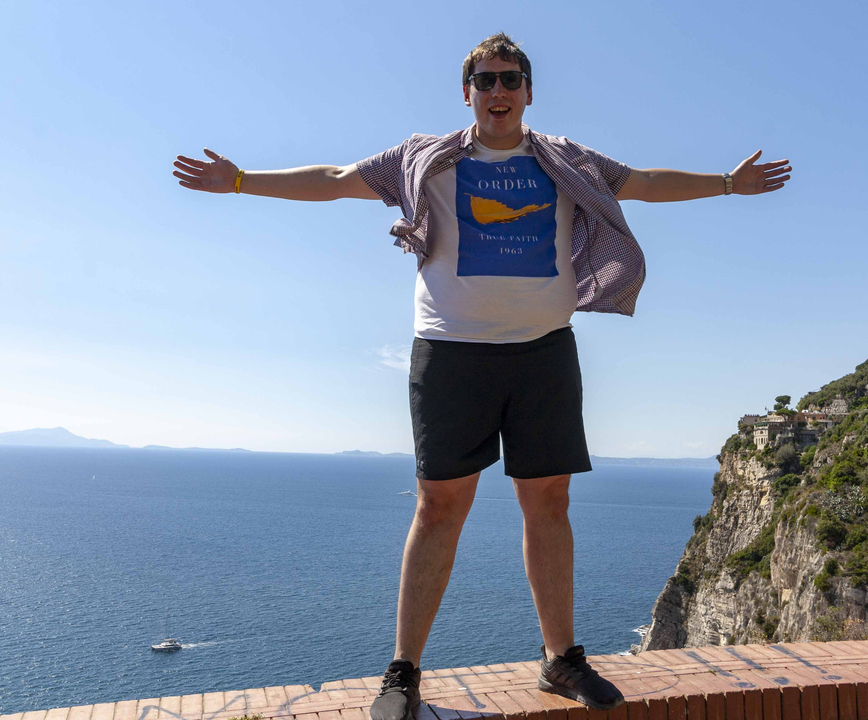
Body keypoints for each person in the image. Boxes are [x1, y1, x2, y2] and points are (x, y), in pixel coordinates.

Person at [174, 32, 791, 720]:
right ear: (466, 91)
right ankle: (404, 673)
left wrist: (731, 183)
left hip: (543, 352)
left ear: (529, 90)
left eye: (510, 79)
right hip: (450, 354)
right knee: (439, 507)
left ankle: (560, 662)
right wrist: (238, 180)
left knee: (549, 504)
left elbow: (643, 184)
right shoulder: (424, 158)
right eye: (485, 80)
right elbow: (335, 179)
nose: (497, 91)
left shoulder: (567, 159)